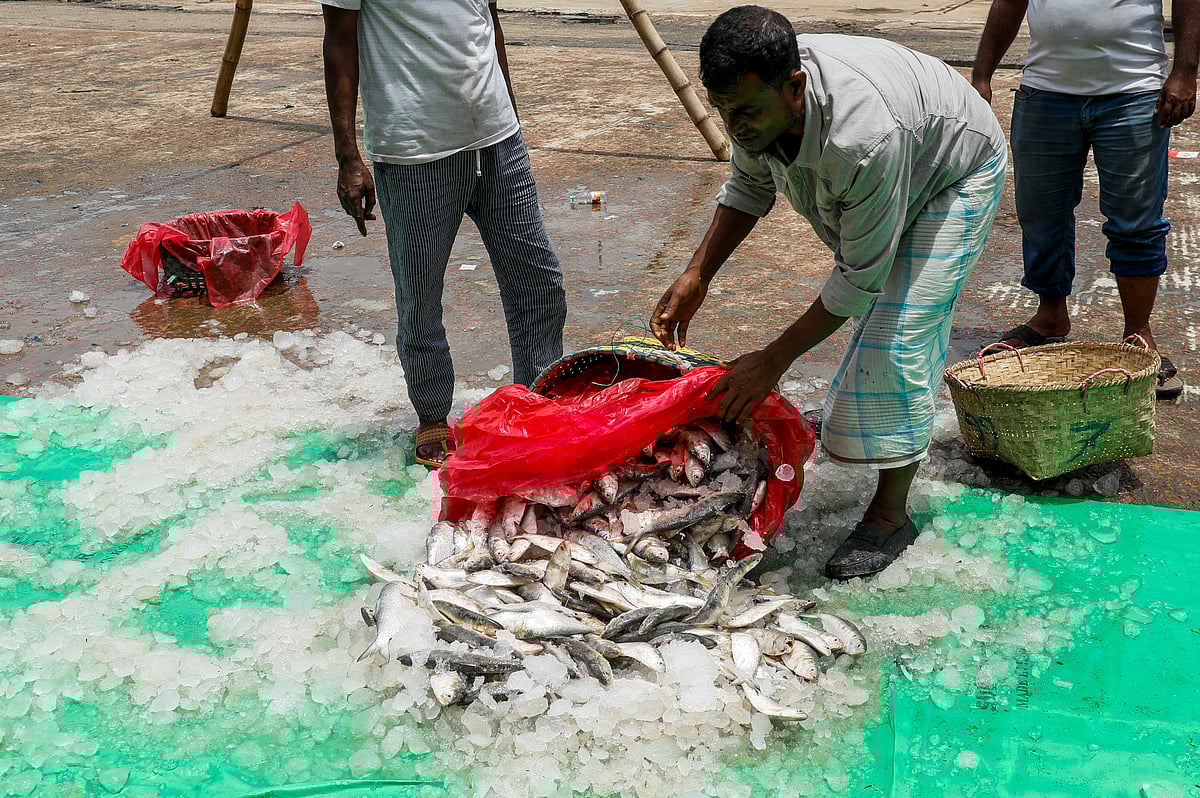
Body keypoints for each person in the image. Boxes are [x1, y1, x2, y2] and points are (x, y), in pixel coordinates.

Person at [651, 6, 1007, 580]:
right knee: (882, 309)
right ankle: (858, 414)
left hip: (957, 170)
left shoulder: (863, 138)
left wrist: (771, 361)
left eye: (744, 113)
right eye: (724, 113)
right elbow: (748, 182)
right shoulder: (759, 98)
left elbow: (859, 278)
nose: (735, 126)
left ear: (795, 88)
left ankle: (891, 516)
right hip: (908, 150)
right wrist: (699, 273)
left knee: (900, 332)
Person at [319, 0, 567, 467]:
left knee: (538, 281)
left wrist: (510, 115)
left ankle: (536, 403)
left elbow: (488, 22)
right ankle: (432, 413)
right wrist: (347, 155)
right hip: (414, 151)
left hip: (497, 139)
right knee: (420, 294)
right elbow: (339, 42)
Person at [971, 0, 1196, 399]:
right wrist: (982, 74)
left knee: (1136, 220)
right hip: (1044, 93)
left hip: (1134, 94)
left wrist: (1185, 72)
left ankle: (1138, 332)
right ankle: (1050, 316)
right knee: (1041, 212)